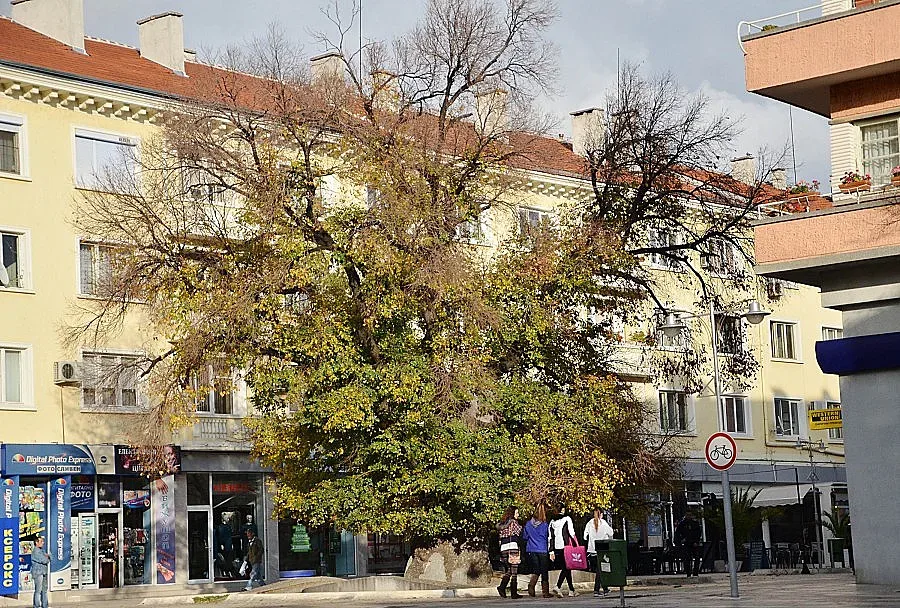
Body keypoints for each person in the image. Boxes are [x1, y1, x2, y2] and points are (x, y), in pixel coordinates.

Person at [522, 503, 552, 598]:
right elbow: (548, 536)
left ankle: (531, 585)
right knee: (544, 571)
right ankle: (545, 592)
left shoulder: (528, 524)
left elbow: (525, 537)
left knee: (535, 569)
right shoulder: (544, 525)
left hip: (531, 549)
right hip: (542, 549)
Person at [584, 510, 614, 597]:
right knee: (600, 570)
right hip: (602, 550)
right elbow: (611, 533)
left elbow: (585, 536)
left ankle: (605, 588)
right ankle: (597, 590)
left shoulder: (589, 523)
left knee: (600, 569)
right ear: (600, 514)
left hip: (592, 550)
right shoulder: (603, 523)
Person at [548, 506, 578, 597]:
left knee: (566, 568)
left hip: (557, 548)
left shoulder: (552, 522)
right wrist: (577, 544)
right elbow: (571, 532)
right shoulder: (567, 519)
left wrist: (551, 551)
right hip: (566, 546)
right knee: (567, 568)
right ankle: (558, 586)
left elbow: (550, 537)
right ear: (562, 510)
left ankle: (572, 590)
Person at [495, 505, 522, 599]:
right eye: (517, 513)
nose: (518, 515)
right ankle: (513, 593)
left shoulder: (501, 524)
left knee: (509, 570)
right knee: (514, 571)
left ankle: (502, 587)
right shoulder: (514, 523)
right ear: (513, 514)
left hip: (503, 548)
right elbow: (519, 532)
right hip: (512, 547)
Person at [674, 511, 702, 577]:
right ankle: (688, 573)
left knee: (697, 558)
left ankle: (695, 572)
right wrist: (681, 540)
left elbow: (698, 533)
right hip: (686, 543)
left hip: (694, 543)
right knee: (687, 558)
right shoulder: (682, 524)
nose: (688, 516)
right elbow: (678, 533)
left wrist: (696, 541)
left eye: (690, 515)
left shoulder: (695, 523)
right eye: (687, 515)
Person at [31, 536, 50, 608]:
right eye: (41, 541)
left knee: (44, 590)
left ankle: (45, 605)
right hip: (38, 573)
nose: (43, 543)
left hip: (44, 572)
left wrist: (47, 557)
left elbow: (50, 556)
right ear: (36, 543)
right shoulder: (36, 551)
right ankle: (37, 606)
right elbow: (45, 560)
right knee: (38, 591)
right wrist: (47, 558)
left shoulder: (42, 550)